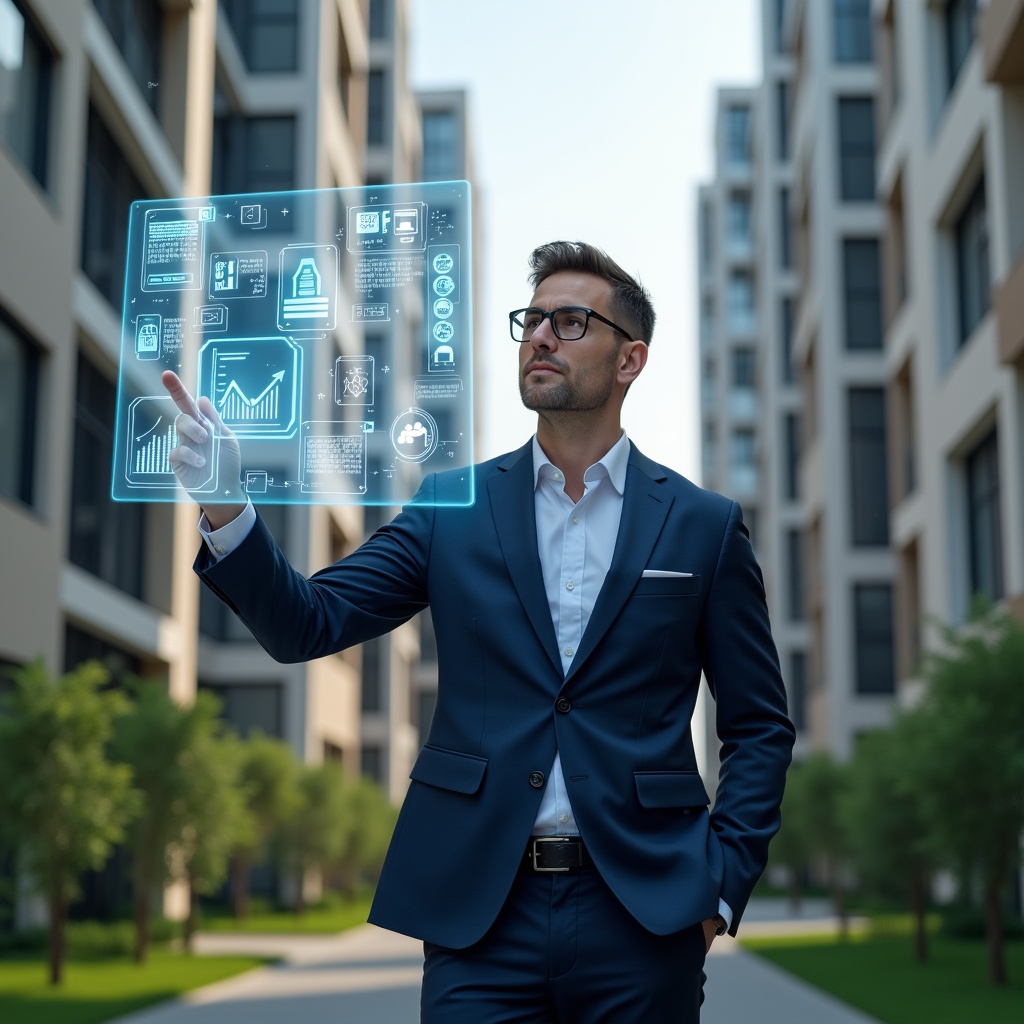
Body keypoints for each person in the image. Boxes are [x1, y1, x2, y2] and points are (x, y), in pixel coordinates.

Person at [163, 240, 794, 1022]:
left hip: (645, 911)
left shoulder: (703, 526)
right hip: (482, 915)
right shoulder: (449, 508)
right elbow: (305, 623)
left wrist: (721, 883)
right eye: (531, 320)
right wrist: (227, 503)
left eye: (570, 321)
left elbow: (760, 726)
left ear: (630, 360)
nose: (539, 337)